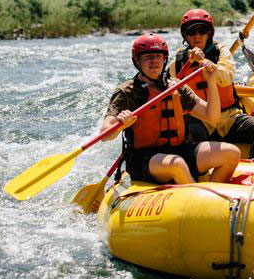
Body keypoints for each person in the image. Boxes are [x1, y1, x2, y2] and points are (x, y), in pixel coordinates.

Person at [100, 33, 240, 184]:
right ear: (137, 61)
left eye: (158, 56)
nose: (154, 61)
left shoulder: (176, 86)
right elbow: (104, 134)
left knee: (231, 153)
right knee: (177, 163)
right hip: (144, 158)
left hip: (179, 150)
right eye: (148, 57)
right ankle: (195, 196)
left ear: (164, 59)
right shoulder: (127, 92)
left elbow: (212, 117)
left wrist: (211, 82)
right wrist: (120, 124)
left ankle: (212, 198)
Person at [169, 9, 254, 160]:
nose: (197, 36)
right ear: (185, 35)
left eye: (202, 31)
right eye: (192, 32)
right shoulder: (178, 63)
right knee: (193, 132)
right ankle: (200, 174)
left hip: (228, 118)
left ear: (209, 33)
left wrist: (208, 64)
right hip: (200, 119)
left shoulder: (221, 52)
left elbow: (226, 78)